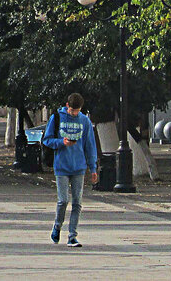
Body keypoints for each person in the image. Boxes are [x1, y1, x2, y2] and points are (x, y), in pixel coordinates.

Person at [42, 92, 98, 247]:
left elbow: (90, 145)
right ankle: (57, 226)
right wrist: (62, 142)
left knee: (77, 202)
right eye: (72, 110)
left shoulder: (84, 121)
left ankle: (72, 236)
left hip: (79, 167)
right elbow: (47, 140)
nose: (74, 113)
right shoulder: (57, 117)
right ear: (67, 106)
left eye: (77, 111)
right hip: (61, 166)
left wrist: (93, 168)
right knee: (63, 200)